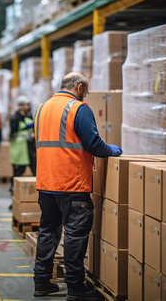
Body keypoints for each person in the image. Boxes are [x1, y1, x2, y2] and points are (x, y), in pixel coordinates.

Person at [33, 73, 122, 300]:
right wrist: (114, 150)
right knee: (74, 235)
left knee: (48, 231)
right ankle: (75, 288)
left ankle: (41, 282)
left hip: (46, 183)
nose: (86, 96)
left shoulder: (42, 109)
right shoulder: (78, 109)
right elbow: (95, 145)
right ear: (80, 87)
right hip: (72, 184)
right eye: (86, 91)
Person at [9, 96, 36, 188]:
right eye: (26, 105)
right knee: (19, 170)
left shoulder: (29, 116)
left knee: (35, 168)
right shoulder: (15, 118)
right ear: (20, 106)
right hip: (20, 149)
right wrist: (26, 127)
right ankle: (13, 187)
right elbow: (13, 132)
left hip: (29, 147)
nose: (28, 107)